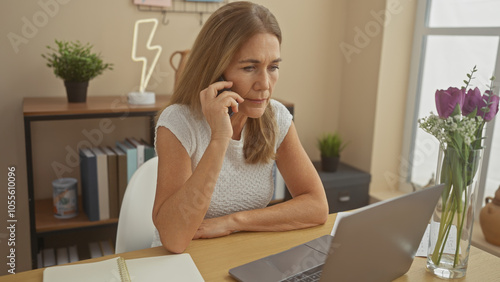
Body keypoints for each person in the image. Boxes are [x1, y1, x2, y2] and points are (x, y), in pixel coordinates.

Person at [152, 1, 328, 254]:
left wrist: (234, 222)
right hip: (182, 262)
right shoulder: (179, 122)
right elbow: (175, 240)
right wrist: (219, 139)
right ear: (216, 71)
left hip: (240, 252)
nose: (265, 84)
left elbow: (317, 206)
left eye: (273, 67)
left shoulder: (276, 117)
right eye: (249, 68)